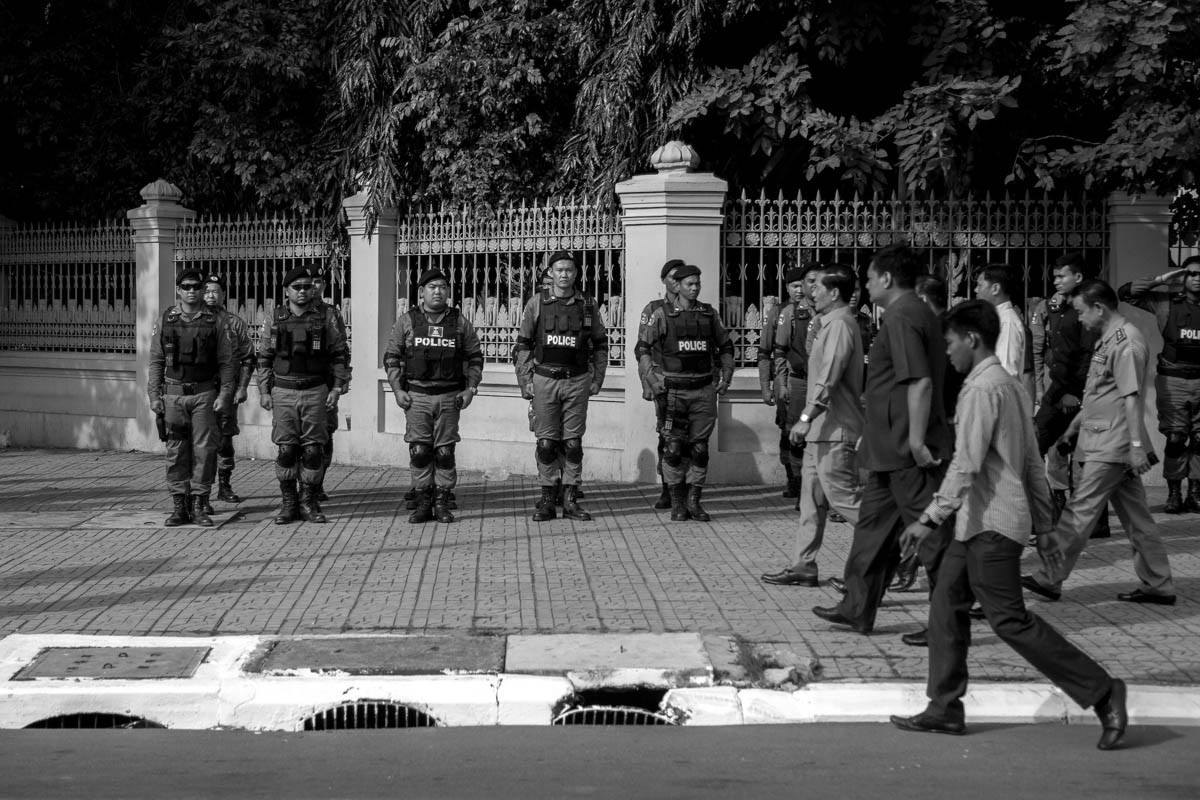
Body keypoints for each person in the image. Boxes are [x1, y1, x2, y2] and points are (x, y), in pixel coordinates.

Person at [889, 299, 1129, 751]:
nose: (948, 352)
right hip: (976, 524)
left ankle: (1101, 691)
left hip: (992, 526)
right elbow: (1032, 465)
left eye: (950, 342)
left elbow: (967, 464)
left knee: (1009, 621)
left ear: (972, 339)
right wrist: (1044, 527)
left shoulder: (982, 389)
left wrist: (928, 518)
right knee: (945, 608)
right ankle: (944, 709)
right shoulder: (1010, 385)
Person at [812, 244, 953, 642]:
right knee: (872, 532)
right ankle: (857, 607)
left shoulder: (905, 315)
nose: (865, 287)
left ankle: (946, 622)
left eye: (870, 279)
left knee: (932, 538)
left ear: (887, 279)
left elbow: (919, 381)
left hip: (908, 450)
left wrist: (915, 438)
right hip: (887, 448)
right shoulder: (908, 313)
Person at [1022, 280, 1176, 605]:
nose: (1078, 319)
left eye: (1080, 312)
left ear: (1098, 308)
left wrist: (1136, 447)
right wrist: (1072, 430)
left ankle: (1049, 577)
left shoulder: (1127, 342)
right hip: (1104, 439)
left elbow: (1131, 397)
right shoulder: (1108, 339)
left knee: (1080, 510)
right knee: (1137, 518)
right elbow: (1098, 394)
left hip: (1114, 444)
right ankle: (1158, 583)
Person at [761, 264, 863, 584]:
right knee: (811, 504)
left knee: (845, 501)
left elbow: (829, 376)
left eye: (817, 287)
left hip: (835, 429)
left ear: (834, 293)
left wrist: (806, 417)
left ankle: (902, 546)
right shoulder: (823, 323)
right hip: (821, 432)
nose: (810, 292)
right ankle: (803, 565)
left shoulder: (841, 326)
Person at [514, 250, 608, 521]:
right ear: (550, 273)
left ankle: (570, 499)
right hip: (544, 380)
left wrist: (597, 378)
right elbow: (523, 345)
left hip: (577, 381)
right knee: (546, 443)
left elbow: (600, 344)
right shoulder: (537, 303)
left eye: (569, 270)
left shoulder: (588, 305)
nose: (564, 274)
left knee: (573, 443)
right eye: (559, 270)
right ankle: (546, 498)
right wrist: (525, 382)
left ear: (576, 274)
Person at [384, 268, 483, 523]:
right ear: (421, 292)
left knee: (444, 452)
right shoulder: (407, 321)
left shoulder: (459, 322)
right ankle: (423, 501)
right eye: (432, 287)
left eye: (442, 287)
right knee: (420, 451)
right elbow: (392, 358)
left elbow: (474, 358)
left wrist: (470, 389)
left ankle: (442, 500)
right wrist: (397, 390)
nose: (438, 291)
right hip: (417, 397)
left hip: (450, 397)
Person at [637, 263, 734, 521]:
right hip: (673, 393)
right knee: (673, 447)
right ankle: (677, 500)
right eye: (689, 284)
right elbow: (643, 348)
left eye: (697, 284)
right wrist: (652, 380)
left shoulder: (709, 314)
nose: (694, 288)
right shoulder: (660, 314)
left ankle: (695, 501)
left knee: (699, 448)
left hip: (703, 391)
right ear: (676, 285)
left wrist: (726, 377)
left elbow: (726, 347)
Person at [257, 265, 352, 524]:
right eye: (296, 287)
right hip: (284, 390)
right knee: (286, 449)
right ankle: (289, 504)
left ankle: (308, 501)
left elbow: (339, 355)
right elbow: (265, 357)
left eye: (307, 287)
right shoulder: (274, 318)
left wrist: (336, 388)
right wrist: (264, 391)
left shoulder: (325, 318)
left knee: (312, 450)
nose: (302, 291)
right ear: (286, 291)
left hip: (315, 391)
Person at [148, 269, 236, 527]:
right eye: (186, 286)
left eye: (197, 286)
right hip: (173, 394)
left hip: (204, 394)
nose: (192, 291)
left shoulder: (215, 321)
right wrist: (154, 395)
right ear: (178, 290)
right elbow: (156, 360)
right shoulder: (167, 319)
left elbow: (227, 362)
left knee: (205, 451)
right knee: (176, 450)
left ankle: (199, 503)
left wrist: (225, 394)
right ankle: (179, 505)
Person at [1119, 254, 1200, 513]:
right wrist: (1166, 278)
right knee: (1176, 438)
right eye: (1192, 274)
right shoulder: (1166, 301)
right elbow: (1126, 293)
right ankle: (1174, 492)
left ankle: (1195, 491)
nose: (1197, 279)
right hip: (1173, 378)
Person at [1035, 253, 1104, 530]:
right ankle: (1050, 513)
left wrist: (1074, 392)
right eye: (1054, 276)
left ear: (1078, 277)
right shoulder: (1056, 305)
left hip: (1078, 391)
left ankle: (1095, 522)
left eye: (1061, 276)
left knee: (1084, 456)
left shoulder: (1088, 308)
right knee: (1036, 444)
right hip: (1058, 387)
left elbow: (1088, 355)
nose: (1056, 281)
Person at [201, 274, 255, 507]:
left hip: (226, 390)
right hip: (198, 389)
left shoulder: (234, 323)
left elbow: (248, 357)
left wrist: (242, 387)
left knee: (224, 440)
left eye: (216, 291)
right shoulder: (189, 320)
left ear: (223, 295)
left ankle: (224, 485)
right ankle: (199, 490)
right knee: (198, 441)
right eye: (207, 291)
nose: (211, 296)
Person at [636, 259, 685, 510]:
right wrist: (647, 383)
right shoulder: (653, 309)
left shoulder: (697, 310)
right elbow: (642, 348)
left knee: (692, 438)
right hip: (663, 382)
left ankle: (686, 487)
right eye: (673, 278)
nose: (677, 283)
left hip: (692, 384)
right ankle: (668, 487)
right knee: (668, 436)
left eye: (682, 278)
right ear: (664, 280)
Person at [772, 265, 820, 507]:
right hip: (799, 381)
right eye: (807, 282)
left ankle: (819, 491)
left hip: (824, 384)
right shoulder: (791, 313)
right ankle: (799, 486)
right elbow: (779, 351)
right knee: (795, 435)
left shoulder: (830, 311)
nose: (809, 287)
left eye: (815, 281)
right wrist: (781, 384)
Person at [307, 265, 352, 503]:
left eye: (318, 282)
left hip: (324, 386)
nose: (313, 287)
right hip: (296, 386)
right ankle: (302, 486)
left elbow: (341, 349)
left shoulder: (331, 314)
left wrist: (340, 381)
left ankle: (317, 484)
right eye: (309, 281)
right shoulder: (286, 313)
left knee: (324, 435)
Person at [975, 263, 1035, 415]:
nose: (976, 290)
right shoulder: (998, 319)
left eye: (980, 285)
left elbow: (1007, 370)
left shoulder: (1007, 323)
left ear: (995, 288)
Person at [758, 292, 795, 497]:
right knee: (787, 430)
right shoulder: (778, 312)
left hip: (811, 382)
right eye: (795, 285)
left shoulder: (820, 310)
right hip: (786, 382)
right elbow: (765, 350)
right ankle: (793, 479)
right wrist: (766, 385)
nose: (800, 290)